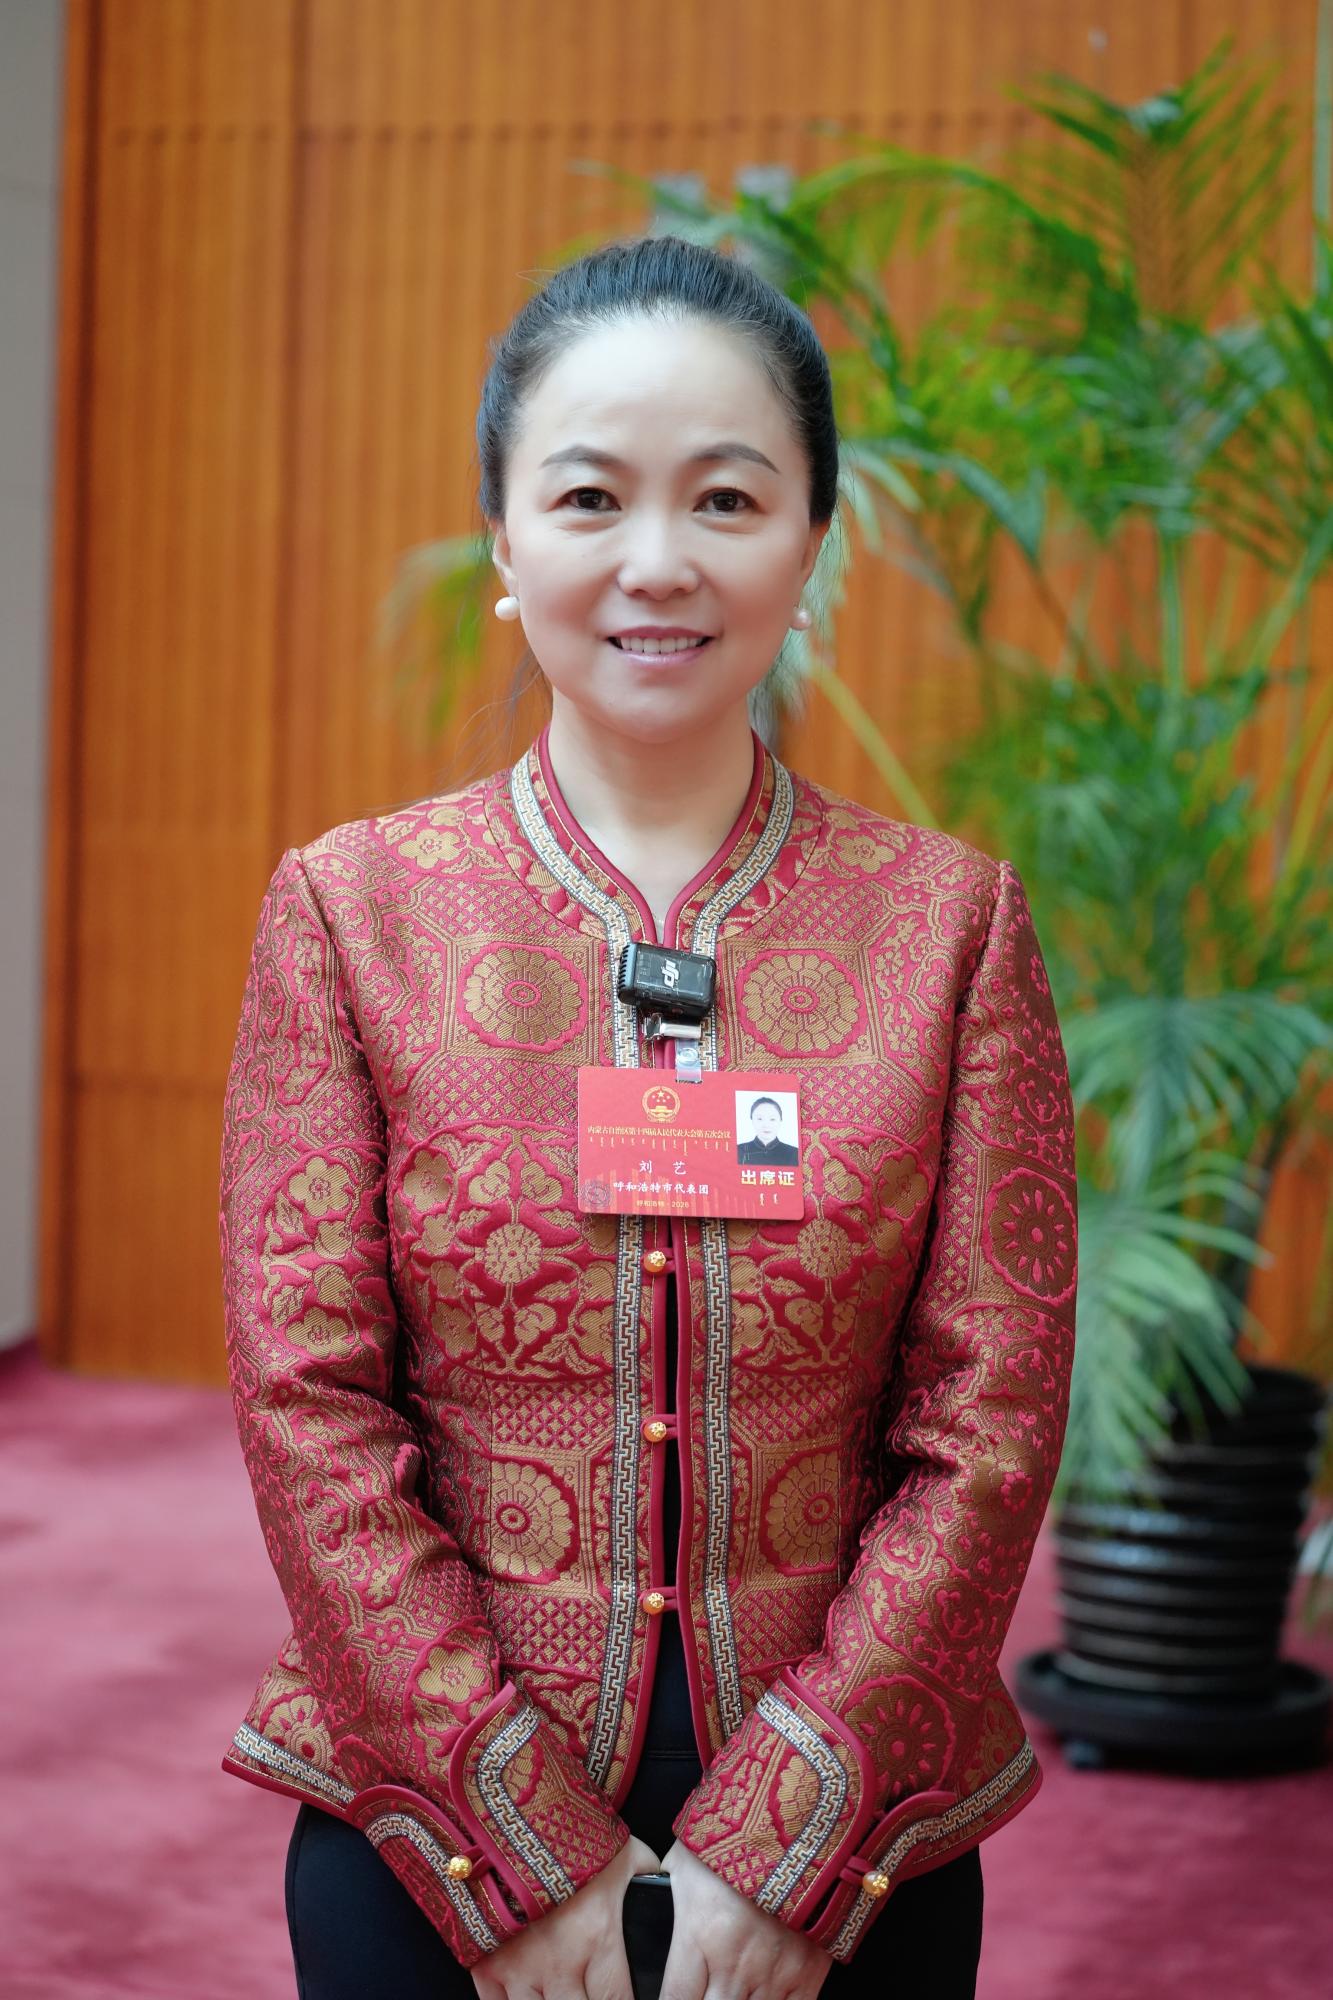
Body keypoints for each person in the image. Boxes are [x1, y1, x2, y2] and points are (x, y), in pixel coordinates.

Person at [218, 233, 1078, 2000]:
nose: (658, 560)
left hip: (853, 1856)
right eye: (591, 497)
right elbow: (307, 1407)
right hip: (430, 1840)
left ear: (809, 542)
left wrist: (790, 1848)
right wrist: (513, 1854)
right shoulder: (352, 914)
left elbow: (987, 1419)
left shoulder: (950, 927)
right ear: (502, 541)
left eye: (728, 498)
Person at [736, 1095, 800, 1167]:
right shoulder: (738, 1150)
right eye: (760, 1119)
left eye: (772, 1119)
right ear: (752, 1120)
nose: (766, 1125)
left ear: (780, 1121)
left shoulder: (794, 1153)